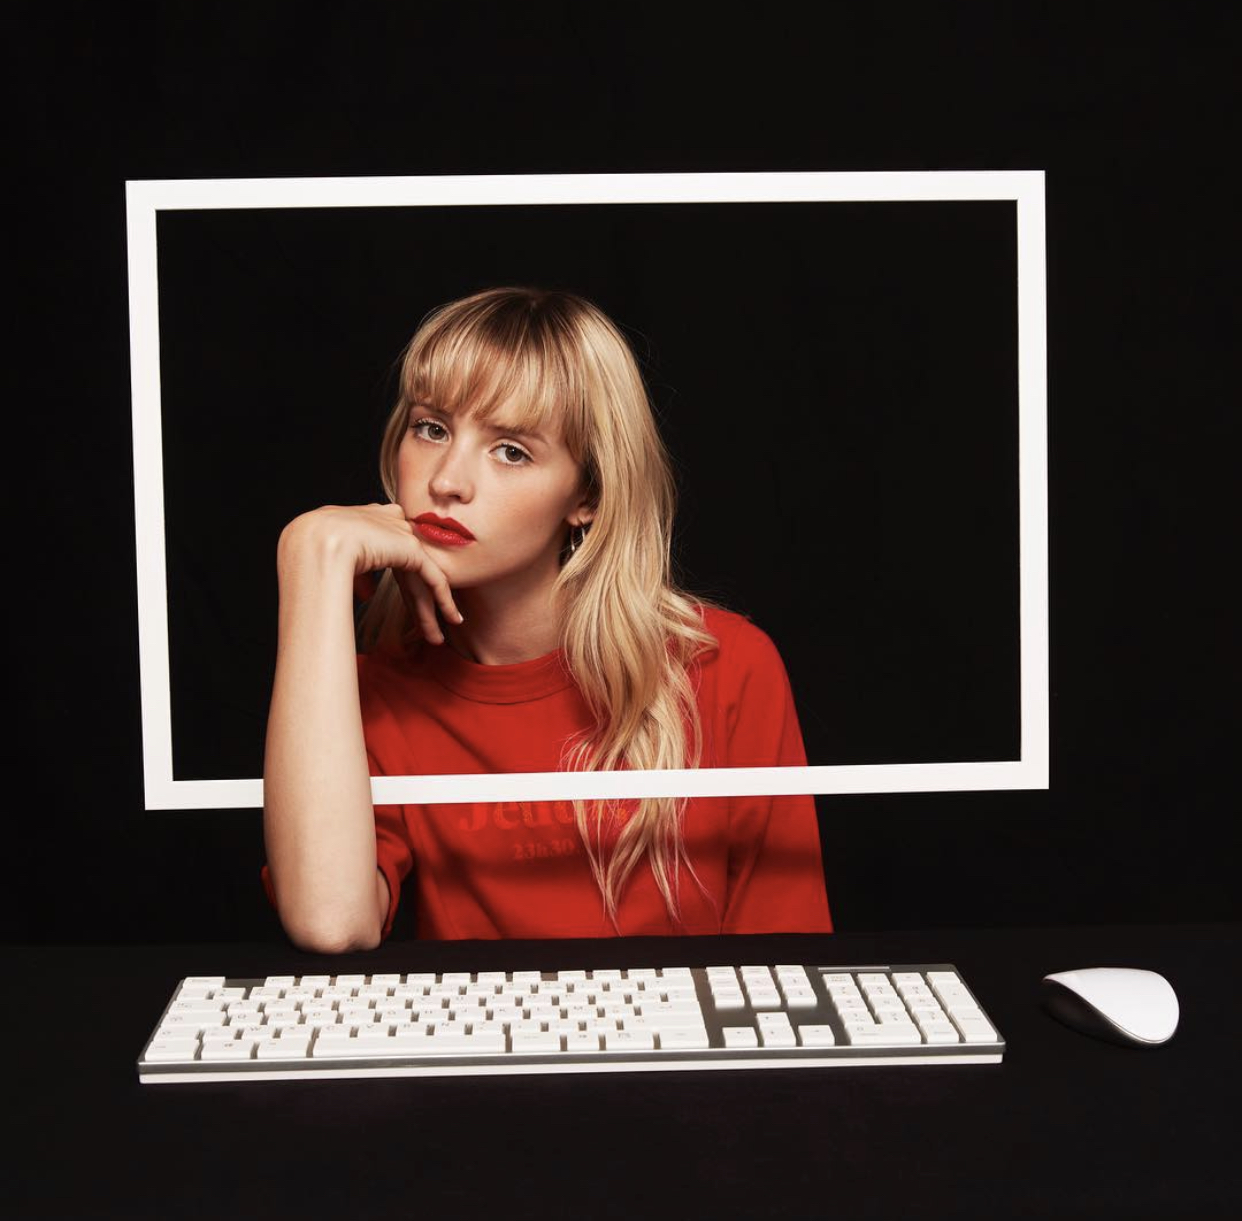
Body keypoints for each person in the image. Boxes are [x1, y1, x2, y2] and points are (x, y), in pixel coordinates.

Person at [261, 286, 832, 949]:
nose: (448, 480)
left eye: (511, 450)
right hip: (481, 1049)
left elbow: (790, 961)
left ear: (586, 494)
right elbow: (329, 921)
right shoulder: (368, 695)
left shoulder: (725, 666)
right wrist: (310, 557)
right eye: (432, 428)